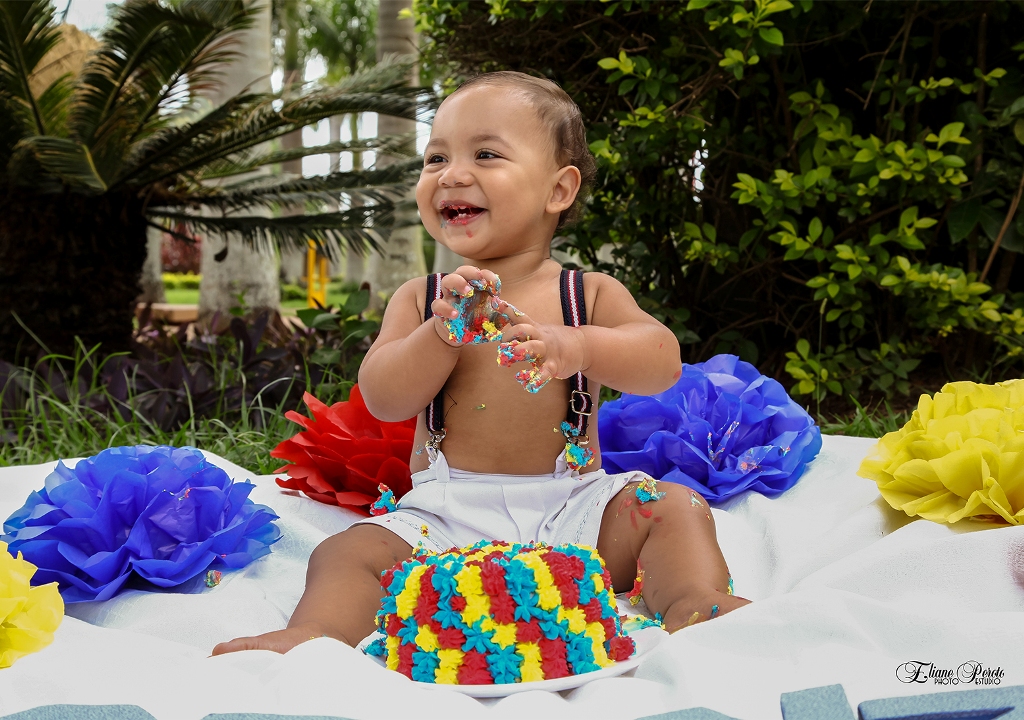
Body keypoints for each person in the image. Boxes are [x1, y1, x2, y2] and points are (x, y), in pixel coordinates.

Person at [213, 71, 748, 657]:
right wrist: (438, 337)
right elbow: (385, 399)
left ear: (558, 190)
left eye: (485, 154)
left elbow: (662, 362)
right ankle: (317, 633)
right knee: (344, 552)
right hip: (443, 521)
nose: (451, 174)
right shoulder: (422, 299)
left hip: (576, 514)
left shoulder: (586, 294)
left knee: (674, 508)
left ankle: (692, 599)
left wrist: (580, 347)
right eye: (435, 157)